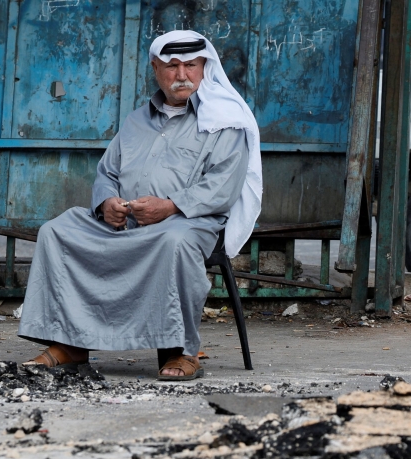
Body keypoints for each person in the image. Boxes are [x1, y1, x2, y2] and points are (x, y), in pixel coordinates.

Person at [18, 30, 262, 380]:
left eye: (191, 65)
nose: (181, 75)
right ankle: (70, 344)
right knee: (57, 231)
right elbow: (107, 172)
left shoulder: (225, 121)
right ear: (155, 68)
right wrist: (106, 203)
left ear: (204, 68)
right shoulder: (136, 121)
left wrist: (170, 207)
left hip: (189, 223)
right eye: (171, 66)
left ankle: (179, 349)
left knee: (172, 241)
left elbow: (221, 188)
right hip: (128, 223)